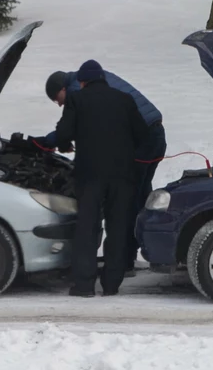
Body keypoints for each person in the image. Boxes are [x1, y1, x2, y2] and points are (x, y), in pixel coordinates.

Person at [36, 67, 167, 274]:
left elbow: (72, 126)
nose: (59, 103)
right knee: (141, 196)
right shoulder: (93, 78)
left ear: (62, 88)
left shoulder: (78, 90)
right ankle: (149, 251)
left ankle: (126, 260)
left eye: (56, 98)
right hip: (154, 133)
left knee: (129, 200)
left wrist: (49, 141)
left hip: (144, 139)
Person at [54, 60, 147, 297]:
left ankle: (84, 285)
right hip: (121, 176)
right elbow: (142, 134)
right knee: (117, 228)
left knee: (87, 227)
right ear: (103, 79)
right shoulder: (124, 100)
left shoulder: (77, 99)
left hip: (90, 175)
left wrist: (65, 144)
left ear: (83, 81)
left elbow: (63, 133)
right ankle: (111, 284)